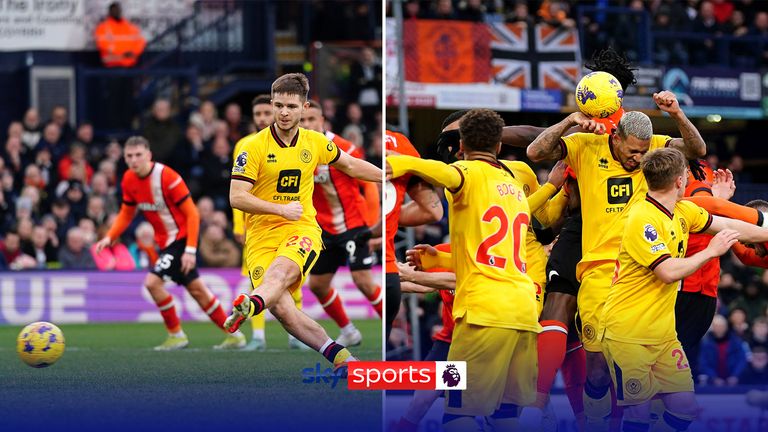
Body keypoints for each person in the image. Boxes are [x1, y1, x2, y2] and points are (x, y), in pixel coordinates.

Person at [527, 94, 706, 429]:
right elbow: (535, 152)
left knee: (641, 372)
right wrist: (568, 121)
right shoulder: (584, 145)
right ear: (616, 137)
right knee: (596, 369)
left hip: (641, 276)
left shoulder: (654, 144)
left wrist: (678, 113)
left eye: (643, 152)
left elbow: (697, 151)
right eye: (632, 151)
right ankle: (592, 422)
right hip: (597, 274)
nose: (639, 158)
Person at [387, 109, 541, 431]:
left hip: (485, 310)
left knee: (460, 414)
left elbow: (445, 174)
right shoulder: (514, 184)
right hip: (525, 310)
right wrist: (440, 259)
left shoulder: (466, 173)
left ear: (460, 147)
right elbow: (488, 250)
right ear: (499, 146)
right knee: (506, 415)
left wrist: (401, 162)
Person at [600, 147, 768, 430]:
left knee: (685, 409)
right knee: (639, 414)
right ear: (679, 180)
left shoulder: (683, 210)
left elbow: (733, 226)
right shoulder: (642, 217)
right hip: (628, 333)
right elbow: (667, 272)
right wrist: (709, 252)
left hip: (663, 335)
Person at [224, 73, 381, 371]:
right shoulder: (252, 147)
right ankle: (341, 358)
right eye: (279, 105)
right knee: (282, 308)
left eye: (292, 107)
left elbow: (350, 165)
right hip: (261, 235)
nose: (284, 113)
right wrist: (280, 209)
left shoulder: (315, 142)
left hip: (302, 229)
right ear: (271, 105)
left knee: (280, 274)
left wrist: (386, 173)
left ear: (304, 107)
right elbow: (236, 197)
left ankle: (251, 304)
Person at [95, 136, 246, 351]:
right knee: (198, 291)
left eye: (138, 155)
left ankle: (176, 334)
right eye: (129, 156)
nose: (134, 160)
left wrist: (190, 250)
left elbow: (193, 214)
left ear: (149, 155)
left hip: (181, 239)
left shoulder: (167, 177)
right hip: (166, 243)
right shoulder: (128, 179)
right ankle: (235, 336)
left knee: (152, 283)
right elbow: (127, 212)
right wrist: (110, 237)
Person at [301, 100, 382, 347]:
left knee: (364, 282)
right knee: (317, 285)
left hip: (354, 225)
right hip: (324, 230)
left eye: (311, 119)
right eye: (302, 120)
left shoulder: (343, 147)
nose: (306, 124)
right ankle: (348, 331)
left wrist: (372, 226)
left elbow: (368, 185)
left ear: (323, 121)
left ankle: (393, 331)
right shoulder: (297, 152)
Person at [232, 93, 307, 351]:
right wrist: (238, 225)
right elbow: (237, 191)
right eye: (258, 114)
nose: (263, 118)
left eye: (266, 113)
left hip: (291, 225)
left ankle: (296, 336)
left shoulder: (301, 143)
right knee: (259, 280)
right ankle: (258, 337)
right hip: (258, 228)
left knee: (290, 278)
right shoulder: (246, 145)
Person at [384, 129, 443, 344]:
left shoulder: (344, 148)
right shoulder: (400, 144)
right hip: (389, 267)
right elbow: (434, 211)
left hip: (359, 250)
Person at [94, 2, 146, 68]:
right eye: (114, 10)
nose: (116, 12)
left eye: (118, 9)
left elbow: (140, 42)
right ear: (109, 12)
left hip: (131, 64)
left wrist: (134, 52)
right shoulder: (103, 27)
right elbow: (102, 44)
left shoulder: (130, 27)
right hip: (112, 65)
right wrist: (123, 53)